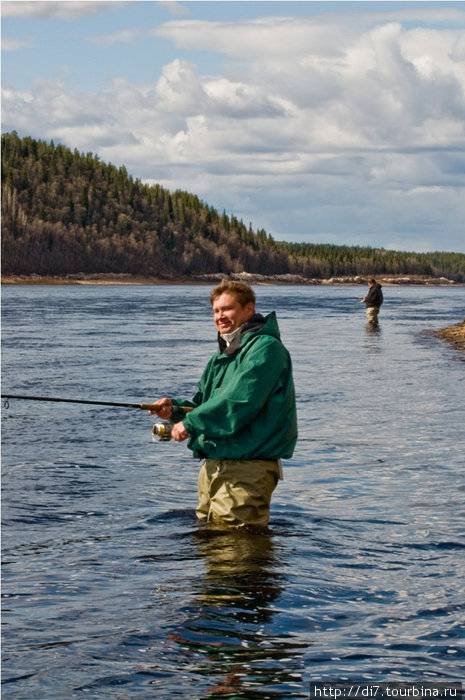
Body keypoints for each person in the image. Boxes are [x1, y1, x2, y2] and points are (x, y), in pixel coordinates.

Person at [150, 280, 297, 529]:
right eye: (216, 311)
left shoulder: (266, 349)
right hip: (215, 465)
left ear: (249, 310)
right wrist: (175, 409)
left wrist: (190, 423)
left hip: (247, 468)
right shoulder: (223, 355)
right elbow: (204, 404)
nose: (220, 317)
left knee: (235, 553)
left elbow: (240, 402)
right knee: (213, 544)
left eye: (227, 309)